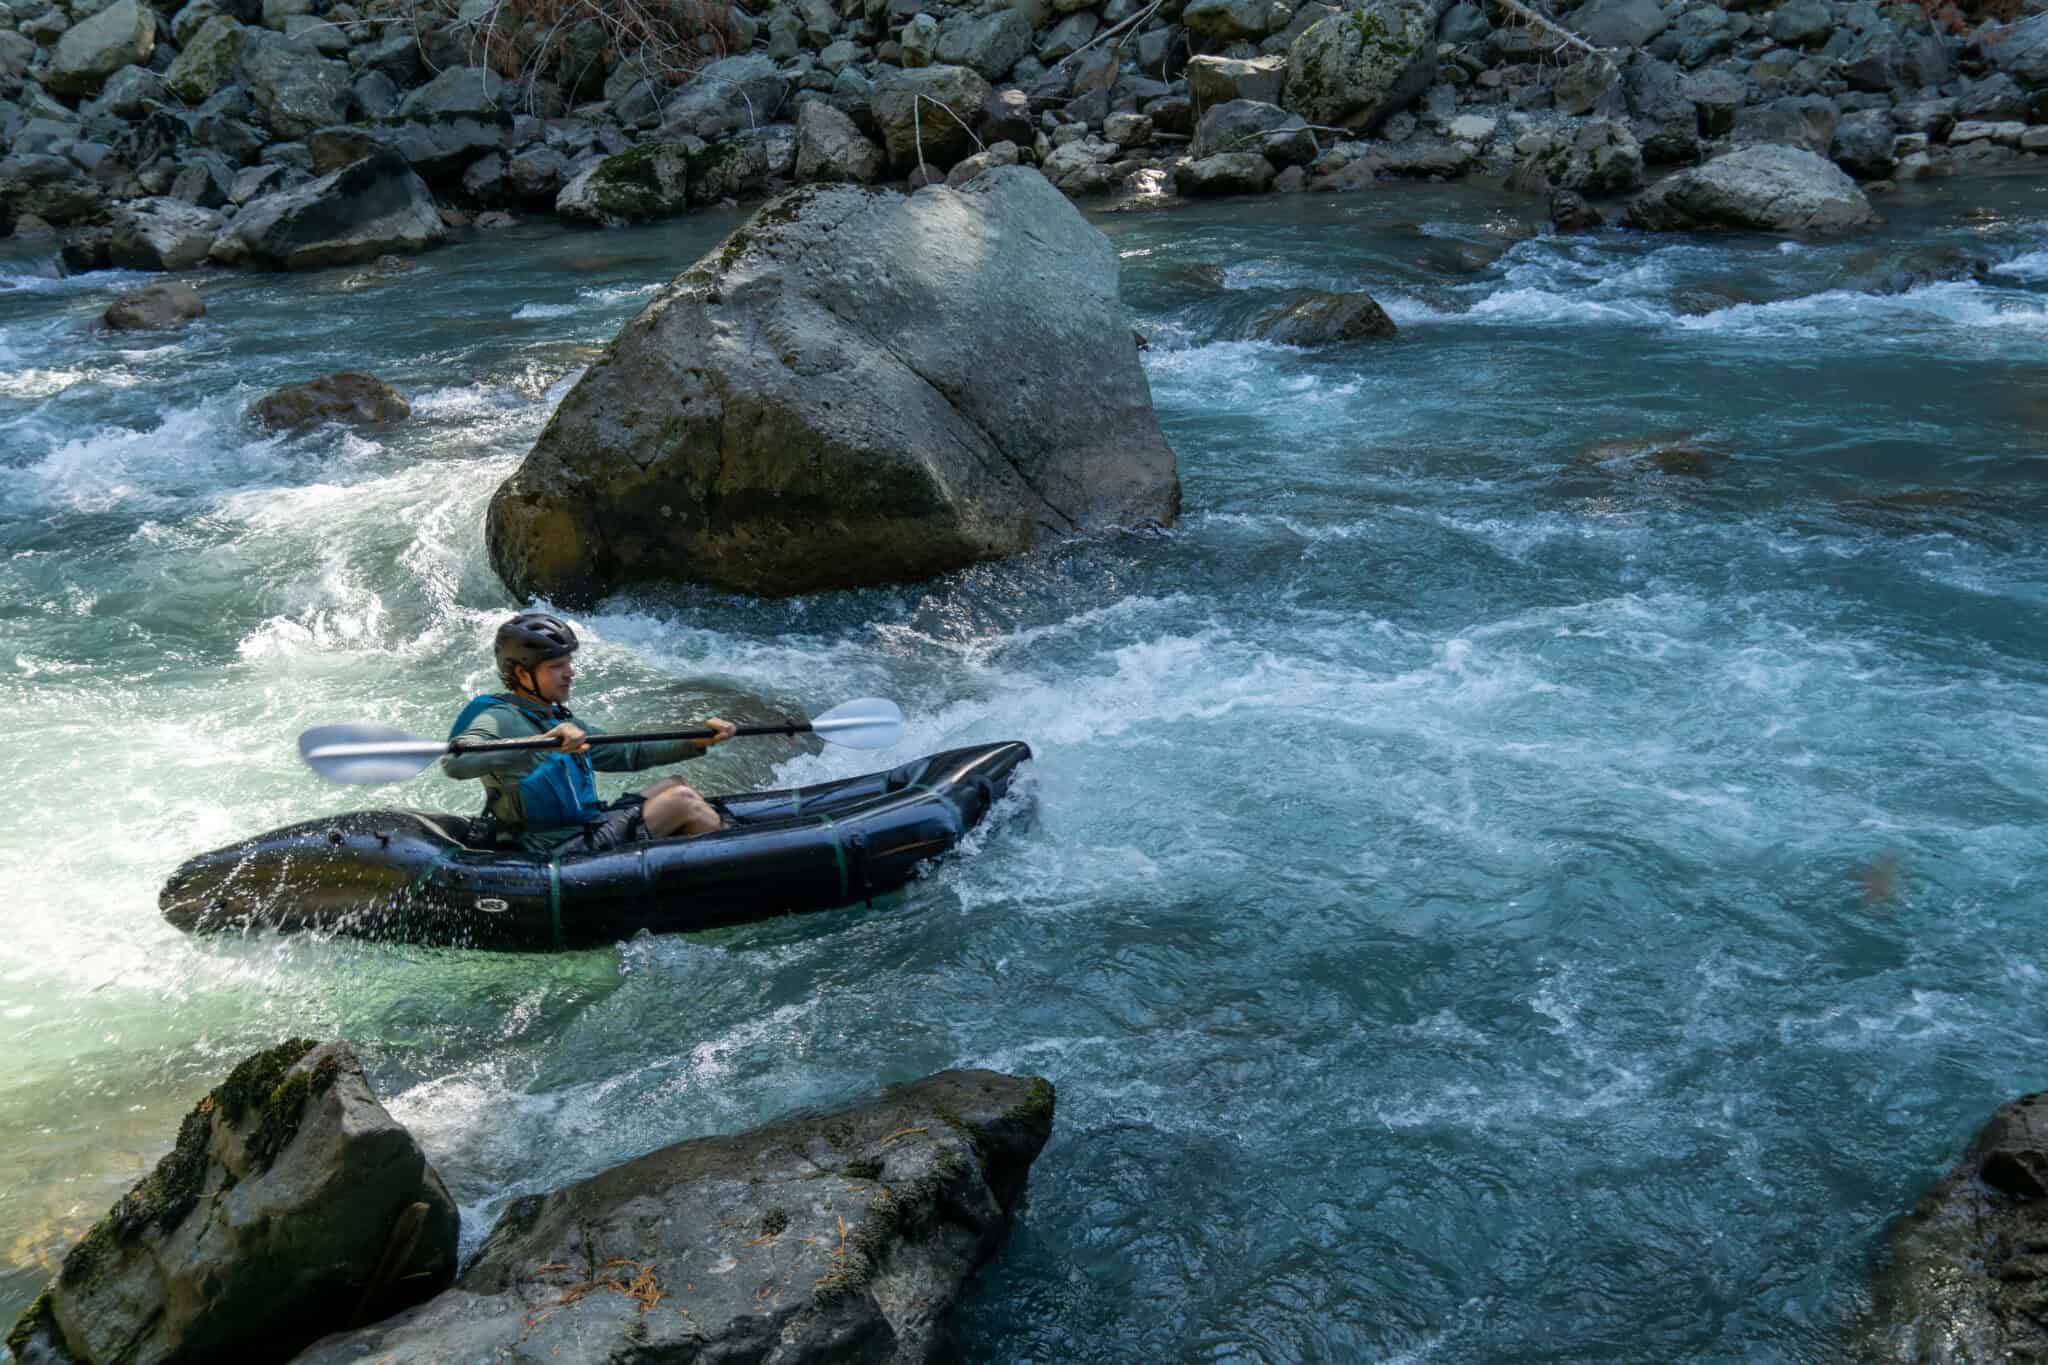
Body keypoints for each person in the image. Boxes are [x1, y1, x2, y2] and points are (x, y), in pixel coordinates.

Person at [443, 612, 738, 852]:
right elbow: (455, 763)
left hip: (586, 826)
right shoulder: (498, 717)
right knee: (682, 801)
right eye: (557, 666)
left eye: (569, 662)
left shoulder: (553, 716)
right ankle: (735, 862)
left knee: (675, 783)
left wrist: (695, 740)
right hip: (551, 848)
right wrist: (540, 745)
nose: (570, 672)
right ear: (522, 674)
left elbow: (627, 752)